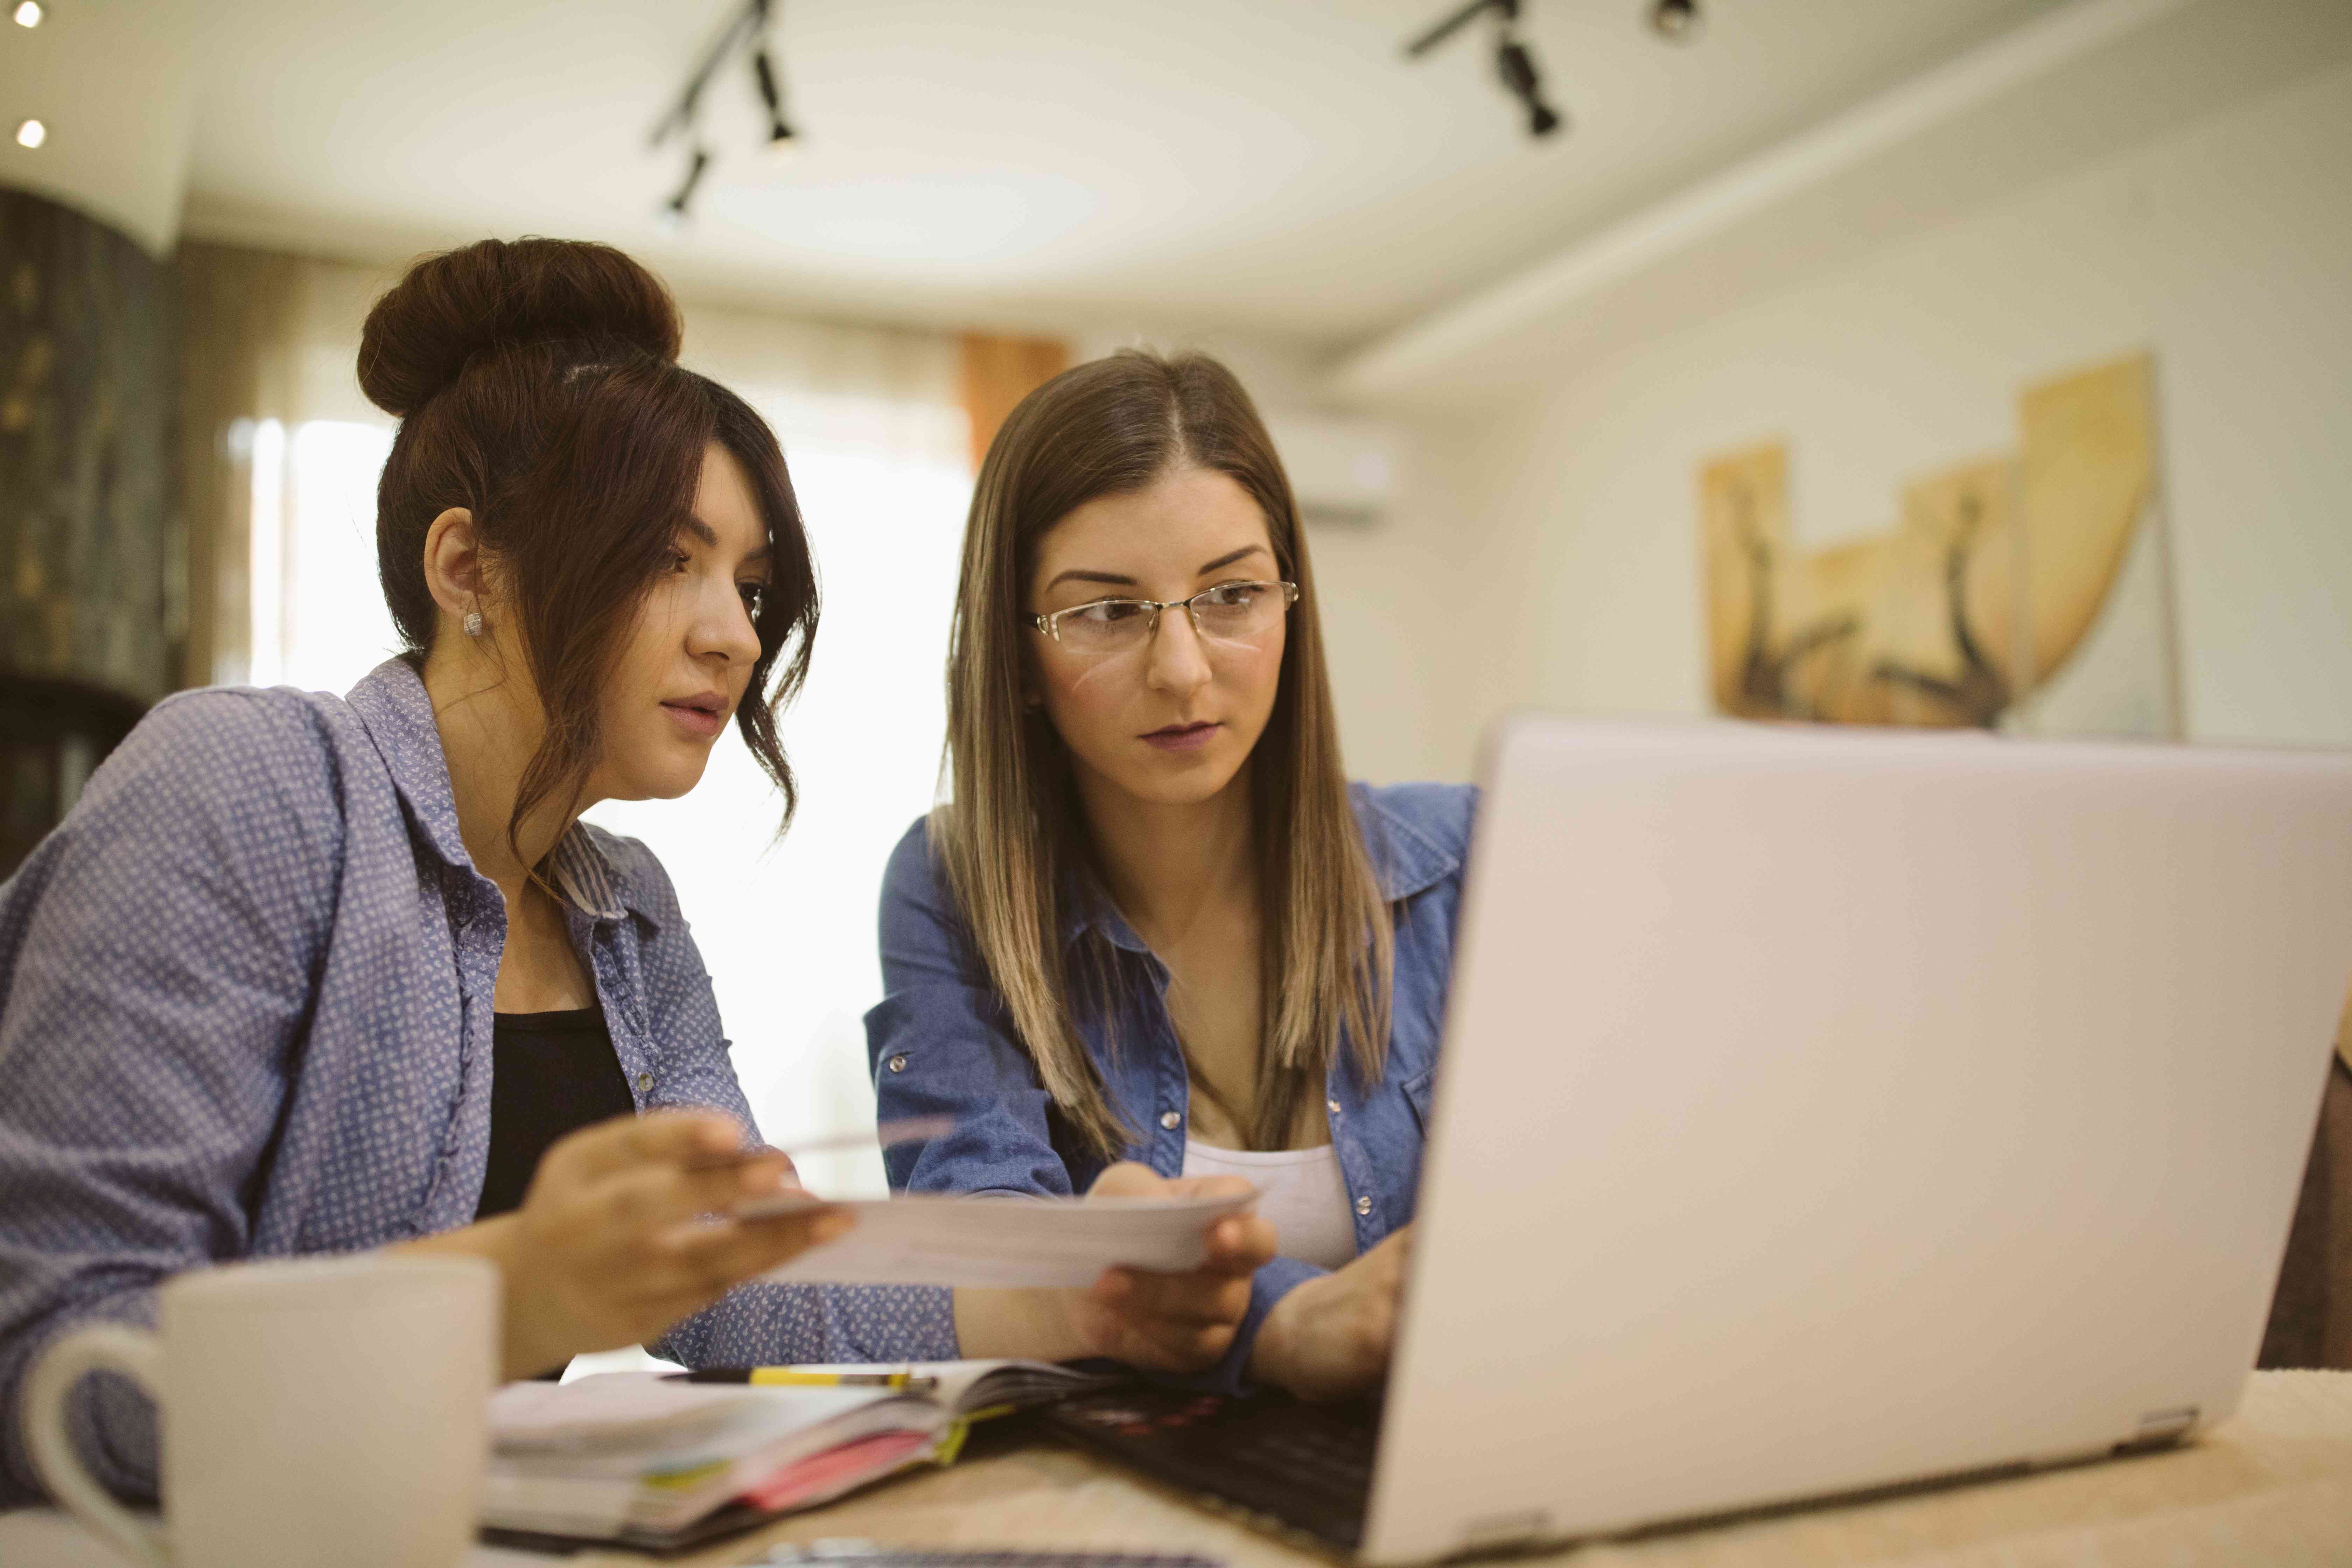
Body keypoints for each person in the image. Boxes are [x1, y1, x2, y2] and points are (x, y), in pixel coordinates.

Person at [0, 243, 1272, 1507]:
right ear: (468, 571)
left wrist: (1082, 1302)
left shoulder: (629, 911)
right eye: (670, 560)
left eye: (752, 584)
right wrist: (520, 1290)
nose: (733, 634)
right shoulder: (246, 785)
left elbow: (744, 1295)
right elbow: (59, 1372)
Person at [867, 350, 1474, 1400]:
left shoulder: (1466, 858)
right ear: (1016, 652)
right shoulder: (953, 885)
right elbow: (993, 1250)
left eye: (1232, 595)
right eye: (1107, 612)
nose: (1185, 671)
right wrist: (1285, 1328)